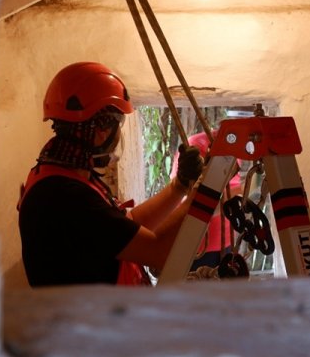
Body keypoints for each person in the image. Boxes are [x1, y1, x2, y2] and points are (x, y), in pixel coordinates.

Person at [17, 62, 204, 286]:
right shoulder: (65, 196)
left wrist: (179, 187)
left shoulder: (60, 174)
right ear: (102, 127)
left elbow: (128, 226)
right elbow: (160, 253)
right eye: (119, 123)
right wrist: (203, 196)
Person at [170, 131, 242, 271]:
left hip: (226, 245)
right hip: (197, 248)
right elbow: (189, 202)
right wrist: (242, 190)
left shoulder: (236, 145)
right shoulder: (195, 147)